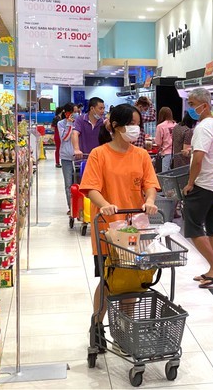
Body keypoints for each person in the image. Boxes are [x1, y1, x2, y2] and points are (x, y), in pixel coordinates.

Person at [79, 104, 159, 350]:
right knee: (107, 280)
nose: (136, 129)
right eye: (131, 124)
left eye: (138, 124)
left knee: (131, 282)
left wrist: (149, 201)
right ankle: (97, 326)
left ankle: (124, 329)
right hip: (107, 231)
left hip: (134, 231)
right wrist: (104, 204)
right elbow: (91, 186)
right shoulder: (99, 154)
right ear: (115, 126)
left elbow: (150, 184)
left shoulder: (141, 155)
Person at [181, 88, 213, 288]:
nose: (190, 108)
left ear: (204, 105)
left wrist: (190, 183)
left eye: (192, 104)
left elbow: (198, 160)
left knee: (192, 227)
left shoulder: (202, 127)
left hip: (204, 183)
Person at [58, 103, 80, 215]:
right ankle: (71, 207)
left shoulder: (80, 123)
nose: (76, 114)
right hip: (66, 157)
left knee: (79, 183)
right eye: (73, 112)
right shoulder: (61, 124)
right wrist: (69, 124)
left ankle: (79, 206)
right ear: (67, 113)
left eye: (77, 112)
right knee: (68, 183)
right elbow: (64, 138)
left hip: (78, 157)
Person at [72, 97, 105, 162]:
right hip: (83, 158)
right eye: (100, 108)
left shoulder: (103, 122)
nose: (103, 111)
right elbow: (75, 133)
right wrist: (76, 149)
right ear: (92, 108)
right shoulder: (81, 119)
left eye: (103, 108)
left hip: (99, 159)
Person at [154, 107, 176, 172]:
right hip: (176, 153)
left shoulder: (160, 126)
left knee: (165, 175)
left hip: (166, 153)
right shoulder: (175, 125)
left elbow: (158, 142)